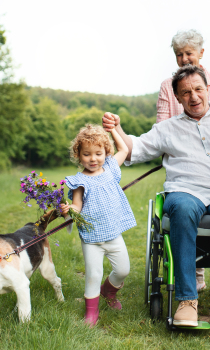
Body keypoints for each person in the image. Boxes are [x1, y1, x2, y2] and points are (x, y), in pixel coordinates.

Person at [102, 64, 210, 327]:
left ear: (208, 90)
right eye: (186, 92)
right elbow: (134, 148)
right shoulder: (168, 128)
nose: (193, 96)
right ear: (178, 97)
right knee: (181, 210)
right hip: (186, 193)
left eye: (198, 89)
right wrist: (116, 128)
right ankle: (186, 300)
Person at [157, 29, 210, 293]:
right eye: (178, 54)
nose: (183, 58)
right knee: (186, 207)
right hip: (186, 162)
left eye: (188, 53)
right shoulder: (168, 87)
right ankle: (195, 278)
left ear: (201, 53)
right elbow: (162, 127)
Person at [59, 124, 136, 327]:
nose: (93, 159)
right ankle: (91, 313)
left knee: (123, 270)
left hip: (113, 235)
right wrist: (69, 210)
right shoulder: (79, 181)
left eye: (98, 153)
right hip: (91, 238)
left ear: (105, 152)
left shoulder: (111, 168)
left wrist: (112, 132)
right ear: (78, 155)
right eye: (87, 154)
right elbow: (77, 206)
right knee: (93, 274)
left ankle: (109, 292)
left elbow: (124, 150)